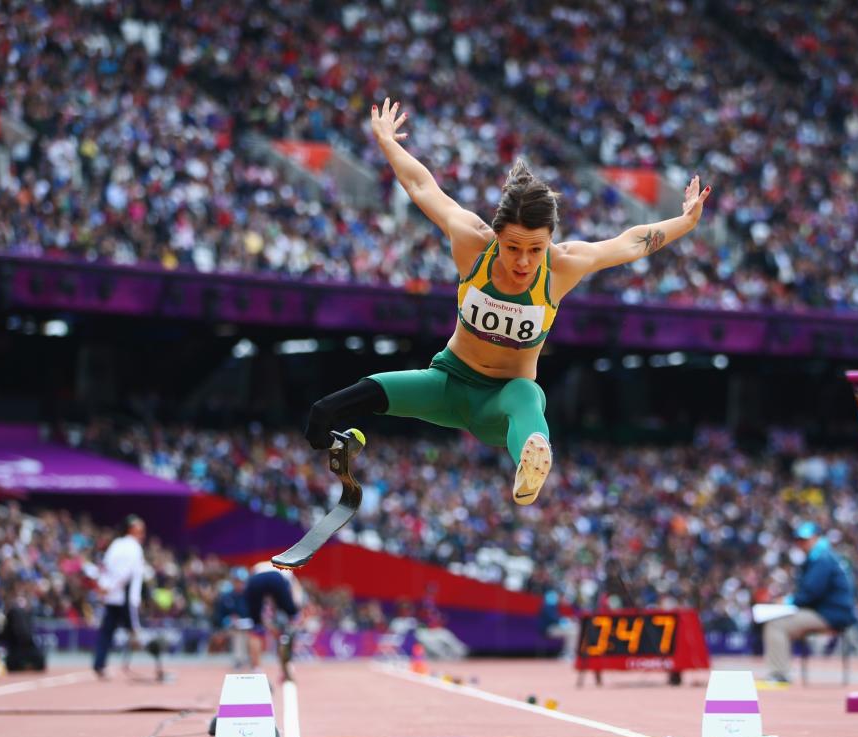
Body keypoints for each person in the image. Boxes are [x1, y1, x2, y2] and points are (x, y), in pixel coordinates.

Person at [304, 98, 712, 506]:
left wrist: (685, 222)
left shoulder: (563, 266)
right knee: (346, 398)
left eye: (535, 249)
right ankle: (324, 423)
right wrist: (388, 142)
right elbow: (422, 187)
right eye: (512, 247)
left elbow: (631, 242)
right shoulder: (471, 243)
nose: (523, 261)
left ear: (550, 241)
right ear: (496, 234)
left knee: (528, 395)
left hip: (500, 406)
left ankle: (532, 462)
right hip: (445, 384)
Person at [762, 521, 858, 684]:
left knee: (776, 624)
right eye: (799, 540)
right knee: (778, 622)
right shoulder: (822, 556)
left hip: (831, 615)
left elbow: (811, 593)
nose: (801, 543)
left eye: (805, 539)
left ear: (817, 538)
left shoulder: (822, 559)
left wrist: (787, 602)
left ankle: (779, 674)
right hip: (829, 612)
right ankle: (780, 672)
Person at [92, 515, 148, 679]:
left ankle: (100, 664)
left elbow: (106, 568)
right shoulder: (132, 547)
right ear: (131, 529)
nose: (143, 533)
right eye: (140, 529)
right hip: (124, 598)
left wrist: (104, 586)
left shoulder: (117, 544)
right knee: (134, 632)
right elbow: (125, 574)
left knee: (108, 631)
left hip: (113, 596)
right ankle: (154, 663)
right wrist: (107, 587)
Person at [243, 564, 302, 674]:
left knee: (255, 629)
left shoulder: (259, 567)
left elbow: (250, 586)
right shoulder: (288, 573)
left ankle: (256, 669)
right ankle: (286, 666)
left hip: (255, 581)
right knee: (288, 625)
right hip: (276, 579)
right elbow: (295, 593)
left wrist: (264, 622)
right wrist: (294, 613)